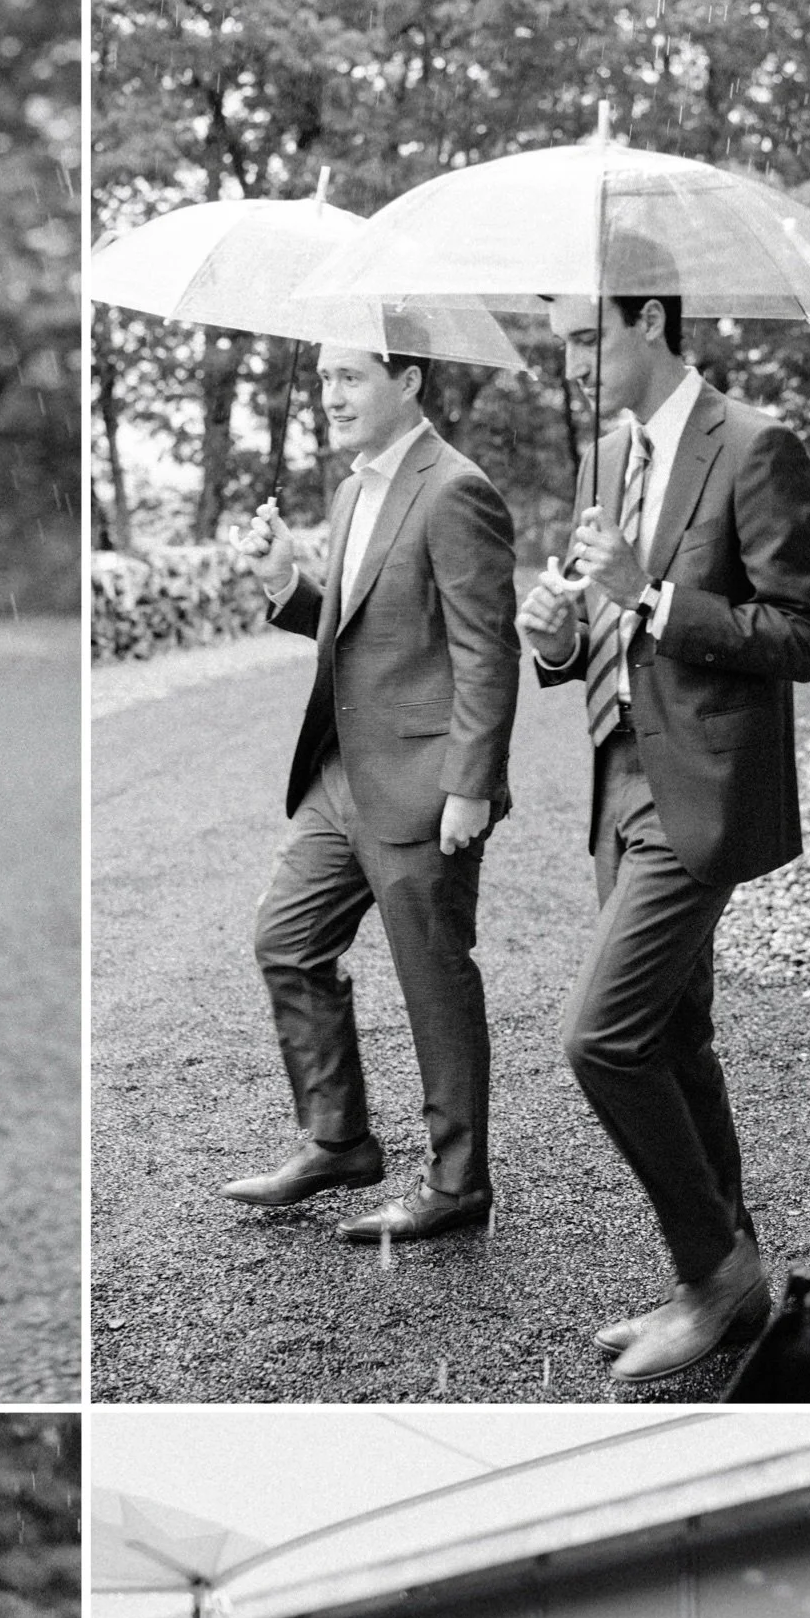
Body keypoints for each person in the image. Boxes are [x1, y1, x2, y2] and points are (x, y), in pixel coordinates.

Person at [520, 286, 810, 1382]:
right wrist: (557, 634)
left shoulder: (754, 446)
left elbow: (799, 636)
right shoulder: (608, 458)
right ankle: (731, 1276)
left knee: (599, 1037)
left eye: (582, 337)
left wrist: (648, 598)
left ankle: (713, 1276)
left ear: (648, 323)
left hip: (697, 788)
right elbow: (591, 614)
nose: (568, 361)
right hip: (616, 773)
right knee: (669, 1032)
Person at [230, 338, 520, 1247]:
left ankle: (458, 1183)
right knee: (286, 939)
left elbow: (487, 649)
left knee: (433, 980)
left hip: (425, 785)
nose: (331, 393)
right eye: (322, 377)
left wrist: (469, 788)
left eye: (350, 376)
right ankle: (340, 1139)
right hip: (339, 775)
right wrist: (286, 581)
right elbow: (354, 627)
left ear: (408, 381)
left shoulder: (455, 489)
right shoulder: (355, 488)